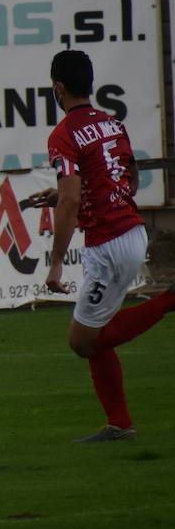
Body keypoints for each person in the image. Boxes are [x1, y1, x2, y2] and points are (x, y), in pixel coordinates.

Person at [24, 50, 175, 442]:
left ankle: (169, 299)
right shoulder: (112, 124)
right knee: (94, 334)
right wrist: (59, 195)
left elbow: (74, 200)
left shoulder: (63, 135)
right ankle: (119, 424)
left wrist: (56, 263)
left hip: (107, 244)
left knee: (82, 340)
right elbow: (125, 178)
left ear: (58, 88)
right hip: (130, 230)